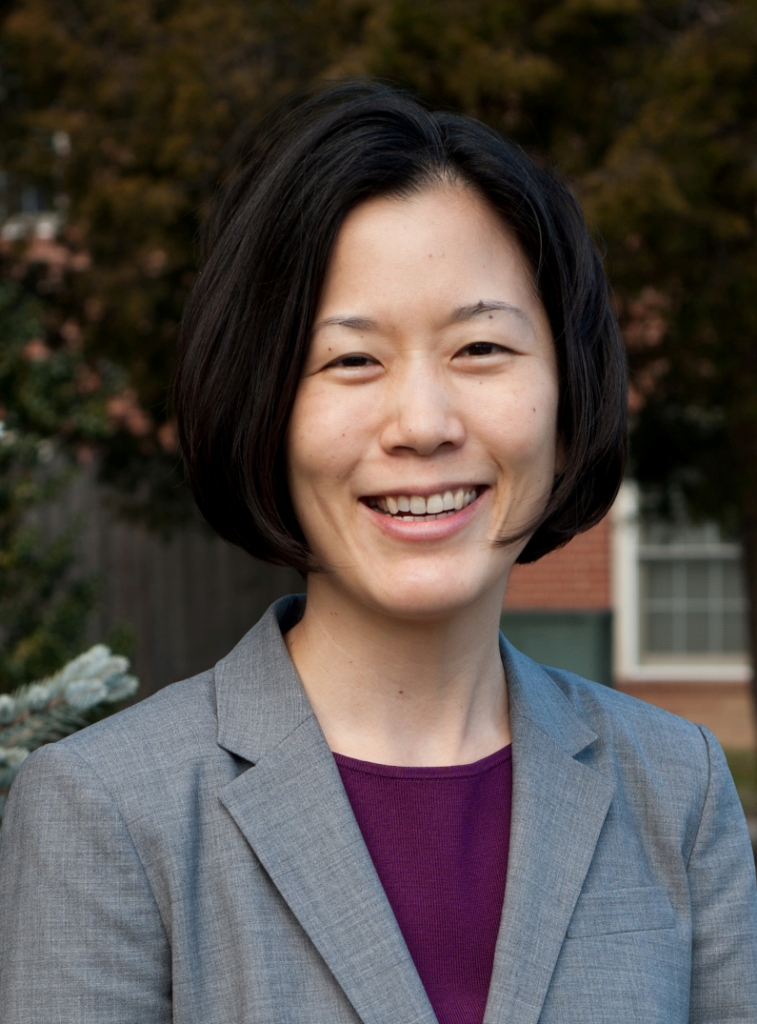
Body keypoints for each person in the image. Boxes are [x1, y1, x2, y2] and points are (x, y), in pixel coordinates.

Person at [1, 82, 755, 1024]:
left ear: (566, 397)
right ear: (261, 408)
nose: (424, 425)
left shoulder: (673, 789)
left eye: (480, 348)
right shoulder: (107, 813)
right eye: (352, 359)